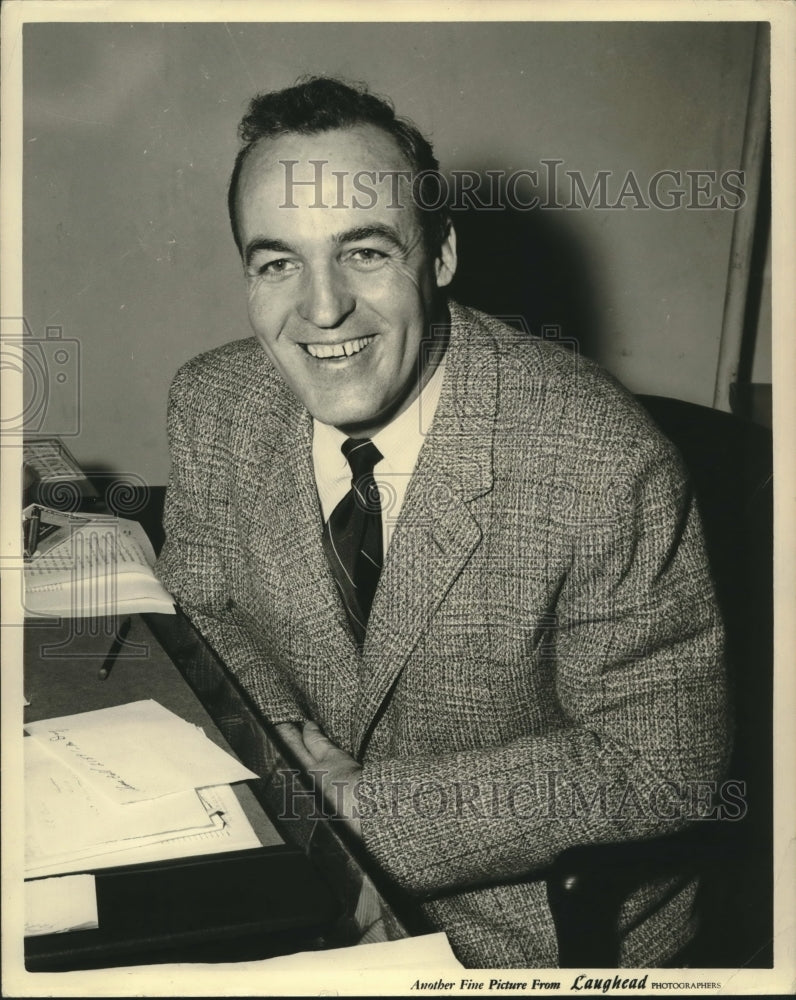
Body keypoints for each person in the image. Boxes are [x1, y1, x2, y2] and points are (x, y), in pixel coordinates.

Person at [155, 77, 729, 968]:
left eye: (366, 252)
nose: (320, 309)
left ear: (441, 256)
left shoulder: (602, 459)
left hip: (529, 935)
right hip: (289, 891)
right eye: (278, 262)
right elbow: (204, 616)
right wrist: (286, 767)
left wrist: (359, 808)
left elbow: (667, 763)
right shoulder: (211, 405)